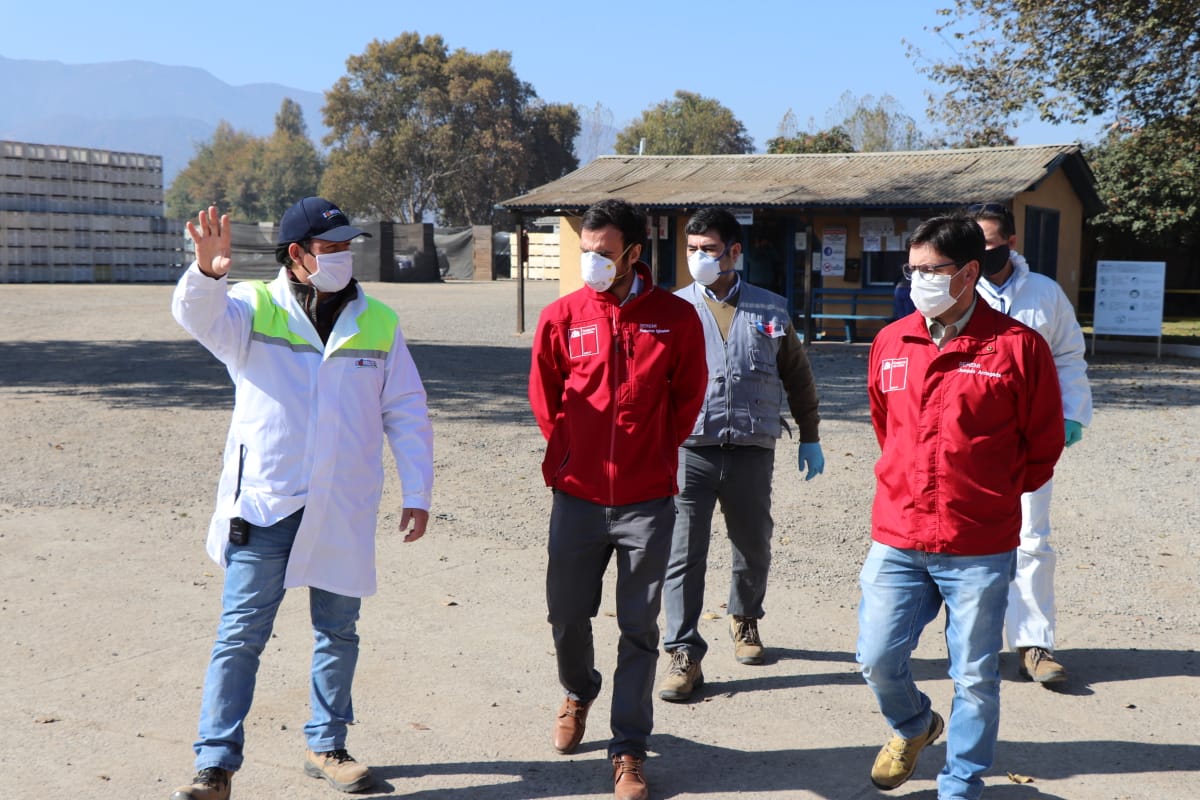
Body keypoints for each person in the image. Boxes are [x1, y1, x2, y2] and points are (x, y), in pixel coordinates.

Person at [169, 198, 434, 800]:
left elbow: (406, 409)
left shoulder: (378, 320)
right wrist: (207, 274)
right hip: (268, 504)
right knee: (240, 635)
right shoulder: (251, 309)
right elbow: (196, 316)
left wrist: (417, 489)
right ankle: (215, 765)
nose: (344, 256)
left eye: (347, 246)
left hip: (342, 505)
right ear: (297, 254)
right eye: (331, 247)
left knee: (338, 632)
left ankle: (327, 745)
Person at [857, 214, 1064, 800]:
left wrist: (987, 493)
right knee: (875, 658)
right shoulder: (892, 341)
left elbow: (1042, 445)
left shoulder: (1018, 348)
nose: (918, 280)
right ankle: (914, 724)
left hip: (977, 542)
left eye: (932, 269)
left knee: (974, 676)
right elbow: (886, 426)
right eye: (912, 269)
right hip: (899, 533)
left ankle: (961, 784)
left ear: (970, 272)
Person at [528, 198, 707, 800]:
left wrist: (650, 451)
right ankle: (578, 690)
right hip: (577, 497)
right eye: (586, 251)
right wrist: (571, 454)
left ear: (634, 251)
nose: (593, 263)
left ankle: (628, 748)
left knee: (639, 628)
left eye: (603, 253)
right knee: (565, 614)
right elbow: (545, 397)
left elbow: (687, 397)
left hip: (646, 502)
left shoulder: (676, 318)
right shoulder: (561, 317)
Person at [657, 208, 824, 703]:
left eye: (708, 249)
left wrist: (810, 434)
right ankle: (683, 652)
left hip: (752, 447)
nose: (698, 258)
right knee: (683, 554)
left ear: (734, 252)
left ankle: (745, 618)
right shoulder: (672, 311)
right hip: (691, 450)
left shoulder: (771, 310)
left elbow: (798, 376)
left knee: (753, 544)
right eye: (691, 249)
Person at [968, 201, 1093, 685]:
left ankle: (1033, 644)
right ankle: (975, 645)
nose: (980, 254)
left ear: (1011, 243)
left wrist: (1071, 413)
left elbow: (1068, 355)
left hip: (1029, 437)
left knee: (1032, 539)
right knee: (969, 543)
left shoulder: (1045, 293)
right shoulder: (955, 290)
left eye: (989, 244)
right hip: (970, 438)